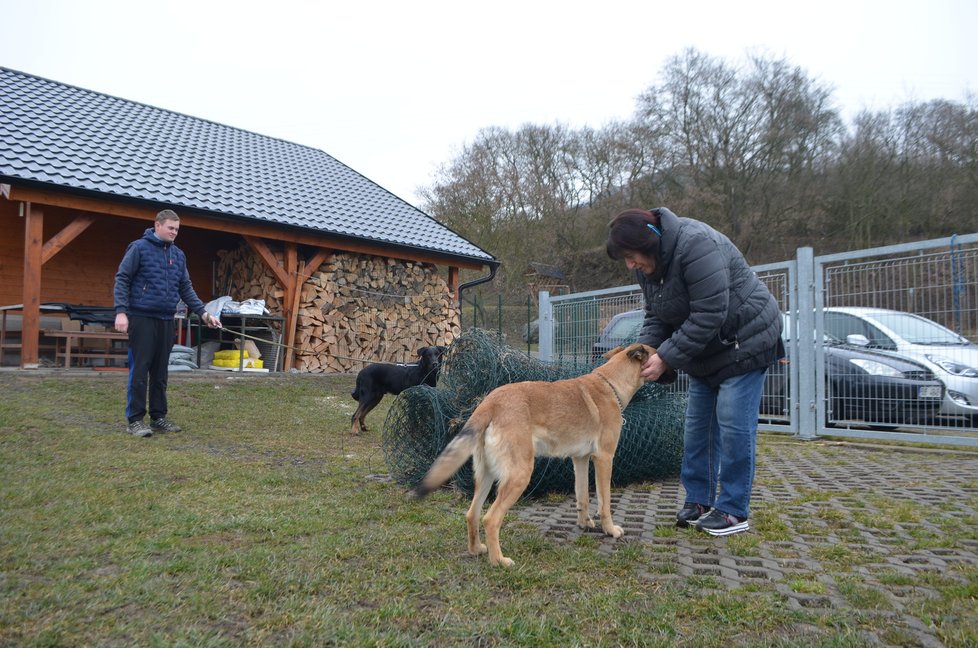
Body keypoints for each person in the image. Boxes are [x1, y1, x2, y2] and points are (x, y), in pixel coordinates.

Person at [606, 207, 784, 536]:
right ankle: (699, 501)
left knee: (733, 426)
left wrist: (667, 358)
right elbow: (657, 316)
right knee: (697, 428)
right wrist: (643, 354)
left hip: (746, 340)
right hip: (708, 351)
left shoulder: (697, 246)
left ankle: (733, 510)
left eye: (631, 257)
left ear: (649, 242)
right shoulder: (649, 266)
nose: (631, 265)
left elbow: (710, 312)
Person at [113, 209, 221, 437]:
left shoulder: (179, 255)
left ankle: (158, 418)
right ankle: (135, 420)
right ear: (158, 225)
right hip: (141, 318)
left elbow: (186, 288)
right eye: (171, 228)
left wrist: (203, 313)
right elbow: (122, 278)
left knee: (161, 372)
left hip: (166, 320)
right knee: (140, 370)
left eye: (177, 229)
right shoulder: (138, 248)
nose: (174, 232)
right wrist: (121, 312)